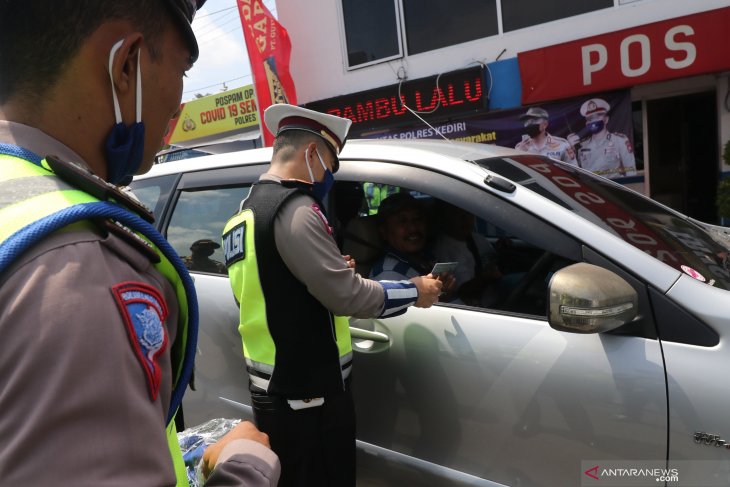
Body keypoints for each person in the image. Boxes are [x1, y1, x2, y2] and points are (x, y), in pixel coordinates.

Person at [0, 1, 279, 485]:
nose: (178, 104)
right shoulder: (80, 266)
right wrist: (245, 467)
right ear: (124, 63)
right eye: (182, 70)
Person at [222, 104, 443, 486]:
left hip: (276, 390)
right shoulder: (297, 210)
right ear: (311, 154)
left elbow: (271, 285)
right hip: (309, 397)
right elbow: (347, 297)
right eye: (330, 163)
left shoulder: (244, 215)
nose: (329, 175)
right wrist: (415, 290)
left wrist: (324, 267)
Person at [430, 202, 503, 307]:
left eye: (468, 213)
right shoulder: (442, 250)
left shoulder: (477, 239)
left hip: (497, 299)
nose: (465, 218)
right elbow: (462, 293)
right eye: (457, 213)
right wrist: (486, 279)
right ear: (447, 216)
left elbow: (491, 261)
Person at [568, 98, 637, 179]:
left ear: (606, 119)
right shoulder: (581, 145)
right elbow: (574, 172)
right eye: (590, 118)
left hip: (612, 189)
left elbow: (630, 170)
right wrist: (570, 148)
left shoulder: (619, 140)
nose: (593, 120)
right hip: (590, 188)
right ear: (587, 123)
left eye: (597, 116)